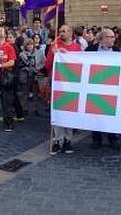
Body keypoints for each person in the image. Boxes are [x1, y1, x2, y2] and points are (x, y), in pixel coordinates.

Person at [45, 24, 81, 154]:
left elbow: (80, 65)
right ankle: (57, 140)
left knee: (69, 112)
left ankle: (67, 140)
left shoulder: (77, 48)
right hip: (58, 84)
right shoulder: (54, 46)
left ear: (71, 33)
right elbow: (47, 65)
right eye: (60, 31)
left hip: (71, 84)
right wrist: (54, 54)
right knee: (58, 112)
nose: (62, 33)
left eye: (64, 31)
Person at [86, 28, 120, 150]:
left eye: (113, 37)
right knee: (96, 114)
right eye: (109, 37)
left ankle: (113, 139)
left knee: (111, 114)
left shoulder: (117, 51)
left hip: (111, 88)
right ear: (101, 39)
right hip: (95, 87)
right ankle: (96, 139)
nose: (112, 39)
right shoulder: (91, 50)